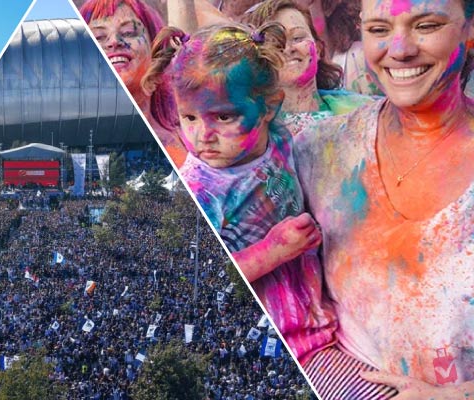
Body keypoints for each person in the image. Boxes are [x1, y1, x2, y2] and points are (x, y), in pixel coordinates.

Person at [294, 0, 474, 397]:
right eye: (378, 30)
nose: (399, 49)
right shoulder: (317, 153)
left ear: (468, 30)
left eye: (425, 25)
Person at [144, 21, 337, 364]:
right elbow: (207, 278)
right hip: (289, 341)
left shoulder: (280, 137)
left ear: (268, 108)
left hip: (320, 309)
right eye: (189, 118)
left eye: (223, 117)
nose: (203, 135)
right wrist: (272, 250)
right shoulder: (200, 191)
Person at [80, 0, 187, 167]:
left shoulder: (189, 134)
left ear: (156, 50)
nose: (114, 41)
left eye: (129, 32)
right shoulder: (82, 145)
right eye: (99, 37)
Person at [242, 0, 371, 135]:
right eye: (275, 42)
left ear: (319, 49)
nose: (288, 48)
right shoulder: (250, 131)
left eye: (297, 38)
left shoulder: (363, 111)